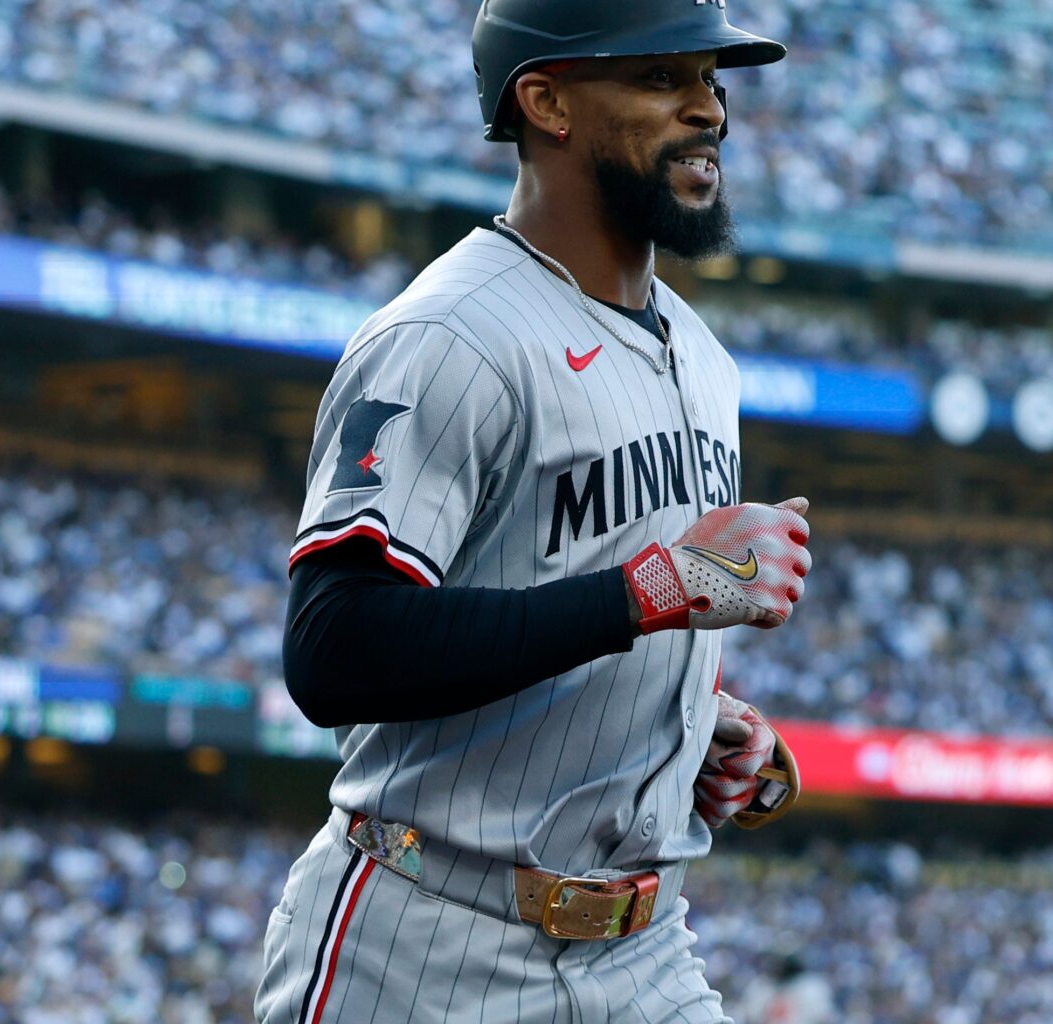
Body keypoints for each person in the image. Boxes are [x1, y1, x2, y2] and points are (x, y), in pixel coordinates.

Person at [253, 2, 807, 1020]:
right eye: (660, 78)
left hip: (643, 952)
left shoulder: (704, 357)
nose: (709, 108)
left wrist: (700, 737)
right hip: (429, 943)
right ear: (545, 101)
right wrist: (662, 588)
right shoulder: (451, 333)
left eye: (712, 81)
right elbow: (335, 649)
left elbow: (580, 600)